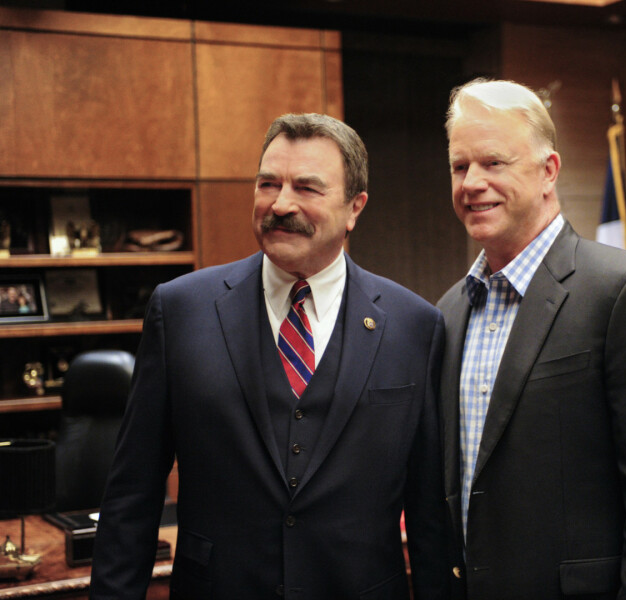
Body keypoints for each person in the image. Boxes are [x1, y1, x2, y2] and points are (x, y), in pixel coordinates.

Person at [90, 113, 450, 600]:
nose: (280, 204)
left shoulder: (415, 326)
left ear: (355, 207)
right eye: (268, 184)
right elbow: (132, 494)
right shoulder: (180, 311)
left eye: (307, 188)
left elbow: (429, 516)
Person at [437, 78, 626, 599]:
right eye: (459, 166)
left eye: (493, 162)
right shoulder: (448, 312)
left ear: (549, 171)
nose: (471, 182)